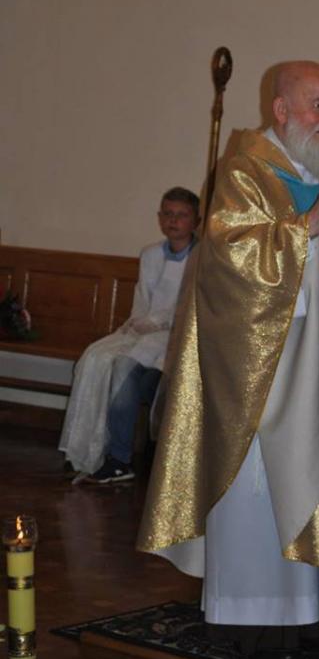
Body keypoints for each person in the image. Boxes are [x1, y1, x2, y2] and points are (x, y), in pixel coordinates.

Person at [138, 61, 319, 659]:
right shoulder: (244, 171)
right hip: (262, 368)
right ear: (281, 110)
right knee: (261, 489)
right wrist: (307, 228)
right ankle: (252, 613)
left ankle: (315, 606)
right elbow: (229, 260)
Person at [59, 186, 200, 482]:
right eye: (168, 214)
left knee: (123, 367)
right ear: (159, 217)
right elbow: (142, 298)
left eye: (181, 215)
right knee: (94, 358)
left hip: (177, 335)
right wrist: (136, 325)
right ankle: (84, 447)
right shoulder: (150, 254)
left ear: (196, 220)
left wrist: (157, 322)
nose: (173, 221)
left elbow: (191, 304)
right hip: (145, 330)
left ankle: (119, 458)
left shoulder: (202, 257)